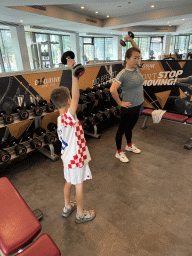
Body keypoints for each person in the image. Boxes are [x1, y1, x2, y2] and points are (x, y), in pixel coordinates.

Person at [50, 57, 96, 224]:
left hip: (67, 158)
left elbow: (73, 97)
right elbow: (76, 95)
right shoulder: (69, 118)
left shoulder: (61, 119)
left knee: (68, 181)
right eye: (71, 100)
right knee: (79, 185)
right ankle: (81, 213)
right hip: (76, 159)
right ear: (69, 102)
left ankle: (67, 206)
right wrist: (73, 73)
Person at [110, 35, 144, 163]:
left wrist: (130, 41)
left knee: (130, 128)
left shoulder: (136, 69)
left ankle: (129, 145)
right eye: (135, 58)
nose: (137, 60)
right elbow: (112, 89)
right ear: (127, 59)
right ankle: (118, 152)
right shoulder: (123, 74)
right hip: (128, 107)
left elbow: (138, 50)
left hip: (138, 105)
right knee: (122, 130)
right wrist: (120, 103)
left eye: (138, 58)